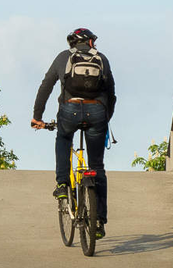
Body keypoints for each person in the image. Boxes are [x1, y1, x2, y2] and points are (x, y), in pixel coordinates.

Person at [31, 28, 116, 238]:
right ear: (88, 42)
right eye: (93, 42)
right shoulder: (102, 59)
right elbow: (112, 93)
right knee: (97, 167)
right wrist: (105, 117)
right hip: (97, 112)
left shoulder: (63, 57)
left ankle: (62, 184)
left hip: (69, 110)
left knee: (63, 138)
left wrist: (37, 116)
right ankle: (98, 221)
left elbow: (46, 86)